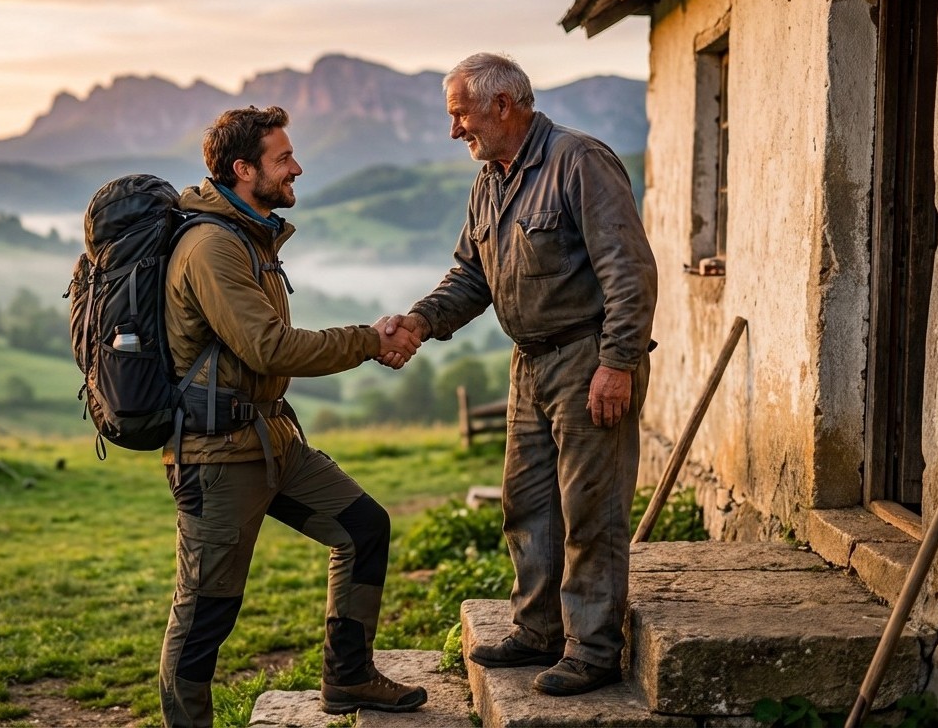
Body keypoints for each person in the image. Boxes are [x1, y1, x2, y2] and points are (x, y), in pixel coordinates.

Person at [385, 52, 657, 697]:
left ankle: (592, 651)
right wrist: (420, 322)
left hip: (589, 358)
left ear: (503, 105)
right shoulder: (491, 179)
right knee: (527, 504)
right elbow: (473, 274)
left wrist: (618, 363)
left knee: (590, 510)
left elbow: (630, 272)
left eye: (461, 114)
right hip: (529, 363)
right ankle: (538, 631)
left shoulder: (578, 161)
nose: (455, 130)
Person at [158, 105, 428, 726]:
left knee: (363, 528)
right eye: (283, 159)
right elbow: (269, 347)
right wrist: (368, 339)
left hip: (271, 440)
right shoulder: (210, 247)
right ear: (243, 169)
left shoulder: (251, 236)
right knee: (204, 616)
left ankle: (348, 678)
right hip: (218, 457)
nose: (297, 168)